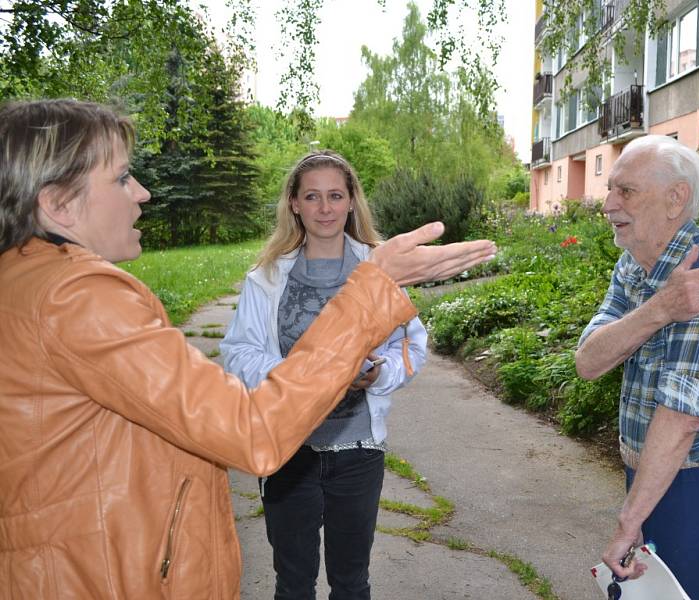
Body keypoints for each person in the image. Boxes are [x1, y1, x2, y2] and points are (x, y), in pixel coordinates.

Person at [0, 99, 496, 599]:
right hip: (95, 575)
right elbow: (252, 430)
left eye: (336, 196)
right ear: (59, 203)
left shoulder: (25, 282)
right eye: (123, 177)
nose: (143, 193)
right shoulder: (74, 296)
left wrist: (375, 363)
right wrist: (371, 293)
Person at [575, 135, 699, 600]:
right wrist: (659, 308)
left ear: (675, 199)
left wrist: (629, 520)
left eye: (625, 191)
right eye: (611, 190)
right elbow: (589, 361)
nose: (608, 204)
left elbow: (683, 417)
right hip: (658, 471)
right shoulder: (635, 266)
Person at [221, 151, 427, 600]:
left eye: (335, 195)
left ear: (352, 201)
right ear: (294, 204)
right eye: (312, 197)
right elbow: (238, 354)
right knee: (293, 584)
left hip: (358, 452)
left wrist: (380, 373)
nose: (325, 208)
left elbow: (411, 345)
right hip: (289, 450)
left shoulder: (378, 269)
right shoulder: (268, 277)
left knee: (351, 584)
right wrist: (305, 373)